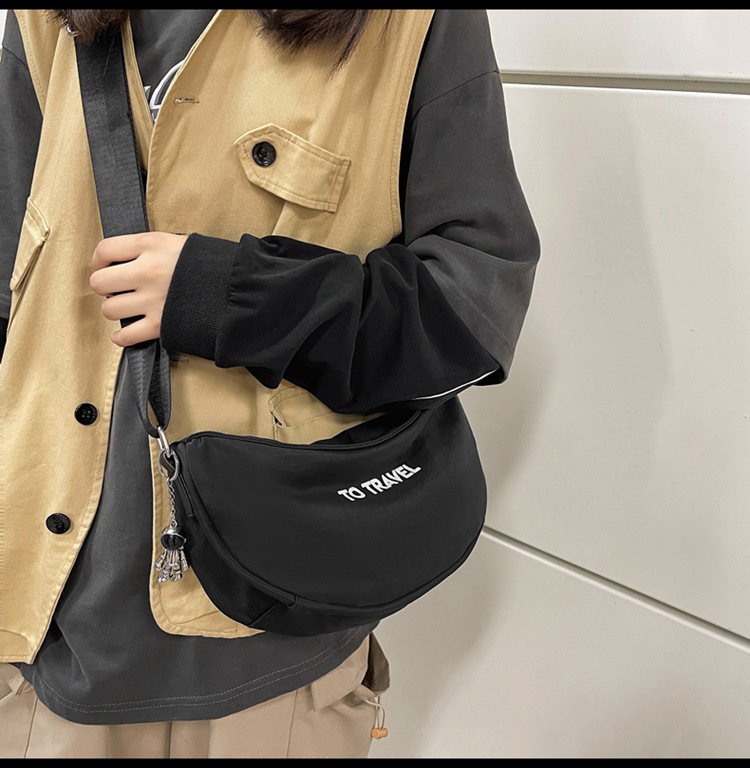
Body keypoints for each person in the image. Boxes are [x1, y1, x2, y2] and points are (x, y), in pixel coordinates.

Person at [0, 8, 540, 759]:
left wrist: (227, 295)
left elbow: (474, 307)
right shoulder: (42, 16)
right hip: (46, 623)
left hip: (269, 643)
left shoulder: (412, 20)